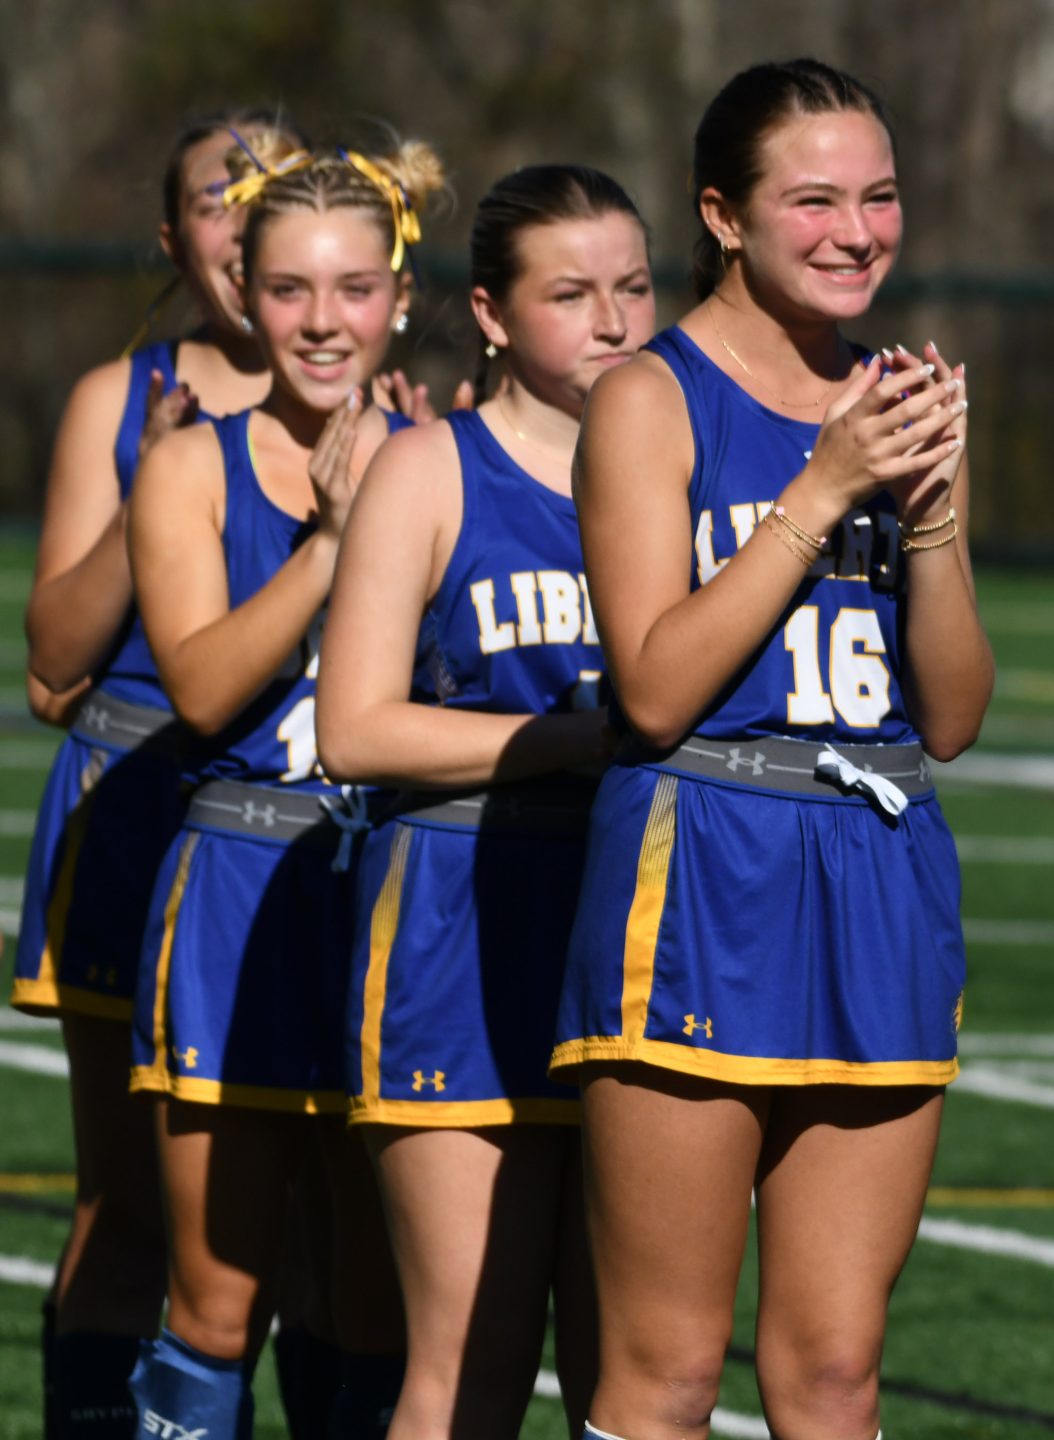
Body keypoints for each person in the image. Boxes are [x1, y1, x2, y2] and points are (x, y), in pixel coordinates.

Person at [556, 57, 989, 1438]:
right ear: (724, 216)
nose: (857, 231)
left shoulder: (907, 395)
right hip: (700, 863)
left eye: (880, 197)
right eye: (813, 200)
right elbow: (656, 691)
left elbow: (957, 715)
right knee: (670, 1371)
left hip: (878, 866)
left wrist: (925, 521)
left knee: (832, 1372)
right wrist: (826, 489)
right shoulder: (647, 398)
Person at [314, 163, 654, 1438]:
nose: (614, 320)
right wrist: (578, 737)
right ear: (494, 316)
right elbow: (355, 727)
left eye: (632, 286)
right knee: (472, 1367)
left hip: (638, 921)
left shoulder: (681, 458)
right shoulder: (431, 471)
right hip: (463, 917)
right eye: (571, 293)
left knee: (638, 1375)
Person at [122, 133, 443, 1440]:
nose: (325, 322)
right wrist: (332, 542)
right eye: (293, 290)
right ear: (245, 297)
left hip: (396, 898)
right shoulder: (193, 459)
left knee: (373, 1310)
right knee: (213, 1306)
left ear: (402, 299)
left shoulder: (459, 450)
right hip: (238, 890)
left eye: (355, 289)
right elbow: (199, 691)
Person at [12, 110, 294, 1439]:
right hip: (139, 818)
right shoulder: (120, 401)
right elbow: (51, 669)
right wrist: (159, 492)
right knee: (130, 1206)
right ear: (172, 239)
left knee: (314, 1227)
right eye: (216, 200)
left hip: (309, 828)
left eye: (275, 192)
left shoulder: (389, 399)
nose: (245, 223)